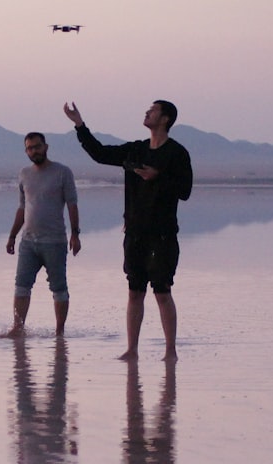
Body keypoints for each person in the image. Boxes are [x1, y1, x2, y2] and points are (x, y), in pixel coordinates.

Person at [63, 100, 192, 361]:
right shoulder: (135, 150)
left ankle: (171, 351)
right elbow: (100, 153)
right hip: (134, 233)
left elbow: (185, 191)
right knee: (134, 291)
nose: (146, 112)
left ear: (165, 119)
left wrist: (158, 177)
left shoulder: (177, 153)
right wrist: (79, 125)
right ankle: (132, 349)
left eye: (153, 110)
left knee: (162, 291)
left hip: (163, 234)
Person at [1, 132, 81, 337]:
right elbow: (22, 208)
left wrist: (75, 234)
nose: (33, 151)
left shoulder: (62, 172)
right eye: (29, 148)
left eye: (37, 147)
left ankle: (59, 332)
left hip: (54, 241)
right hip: (28, 241)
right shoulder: (24, 174)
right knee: (21, 286)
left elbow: (72, 204)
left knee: (59, 287)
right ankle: (18, 327)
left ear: (46, 147)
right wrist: (12, 236)